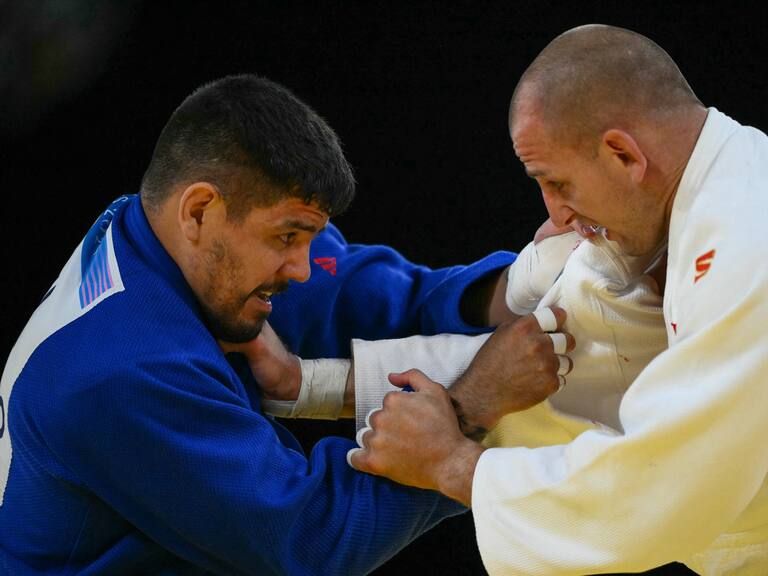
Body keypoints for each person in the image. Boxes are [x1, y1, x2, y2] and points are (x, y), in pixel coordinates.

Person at [0, 74, 568, 574]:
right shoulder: (120, 371)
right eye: (287, 237)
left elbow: (359, 292)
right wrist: (472, 408)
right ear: (198, 210)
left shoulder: (165, 237)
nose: (301, 267)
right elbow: (313, 542)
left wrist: (516, 288)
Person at [345, 24, 768, 575]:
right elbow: (555, 383)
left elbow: (661, 482)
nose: (556, 214)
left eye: (557, 183)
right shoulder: (669, 223)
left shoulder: (742, 237)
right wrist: (309, 385)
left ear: (623, 155)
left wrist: (454, 464)